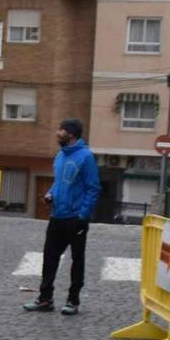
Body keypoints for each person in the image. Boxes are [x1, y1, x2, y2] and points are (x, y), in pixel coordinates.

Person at [25, 118, 102, 316]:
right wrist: (51, 194)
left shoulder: (86, 157)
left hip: (75, 218)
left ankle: (73, 301)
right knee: (49, 258)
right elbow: (59, 183)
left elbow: (93, 188)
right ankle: (45, 299)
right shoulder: (60, 155)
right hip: (56, 216)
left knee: (77, 260)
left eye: (61, 130)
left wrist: (83, 215)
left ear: (71, 134)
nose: (57, 133)